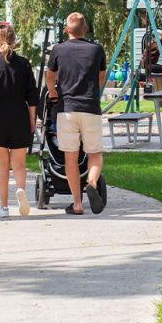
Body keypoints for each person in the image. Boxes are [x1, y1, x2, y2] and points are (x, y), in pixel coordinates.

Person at [46, 12, 107, 215]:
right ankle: (90, 181)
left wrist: (53, 92)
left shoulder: (58, 49)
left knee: (70, 157)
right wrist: (94, 94)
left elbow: (50, 74)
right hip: (90, 107)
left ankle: (77, 204)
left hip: (67, 109)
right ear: (85, 29)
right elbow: (101, 76)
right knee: (95, 153)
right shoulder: (97, 50)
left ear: (66, 30)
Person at [0, 23, 39, 219]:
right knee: (19, 164)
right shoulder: (24, 64)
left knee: (2, 166)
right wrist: (32, 120)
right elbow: (32, 96)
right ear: (14, 40)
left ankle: (3, 207)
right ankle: (20, 190)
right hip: (19, 116)